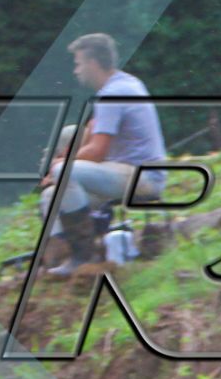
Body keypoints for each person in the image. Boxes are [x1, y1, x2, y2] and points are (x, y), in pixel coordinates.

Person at [42, 33, 166, 275]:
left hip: (141, 177)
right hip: (130, 172)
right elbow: (93, 133)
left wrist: (58, 164)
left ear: (92, 63)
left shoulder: (113, 94)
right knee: (50, 197)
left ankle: (83, 257)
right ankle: (68, 256)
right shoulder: (126, 84)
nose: (76, 70)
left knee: (63, 172)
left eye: (78, 63)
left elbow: (98, 151)